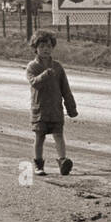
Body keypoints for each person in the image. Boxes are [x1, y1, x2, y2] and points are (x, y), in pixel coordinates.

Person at [26, 29, 77, 176]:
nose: (45, 49)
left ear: (52, 47)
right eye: (42, 47)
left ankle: (63, 161)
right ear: (35, 48)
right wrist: (44, 75)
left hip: (55, 109)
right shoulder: (32, 67)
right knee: (39, 137)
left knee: (59, 135)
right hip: (39, 109)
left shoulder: (58, 67)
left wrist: (71, 107)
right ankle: (38, 164)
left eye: (48, 46)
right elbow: (34, 83)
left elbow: (65, 89)